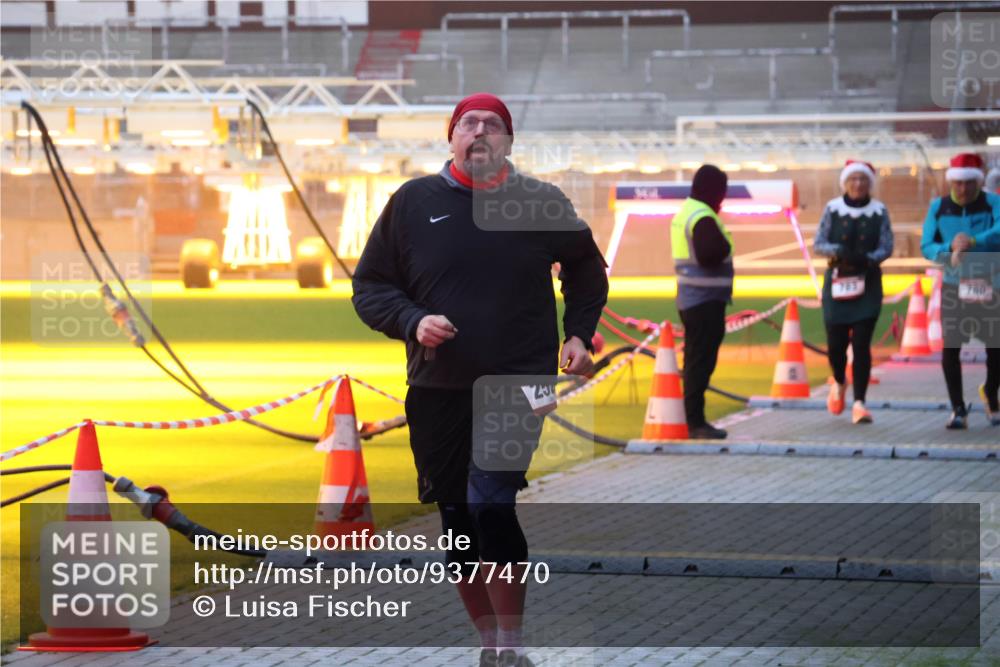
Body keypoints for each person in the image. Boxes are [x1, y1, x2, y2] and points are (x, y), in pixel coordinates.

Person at [352, 92, 609, 667]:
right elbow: (369, 289)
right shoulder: (412, 203)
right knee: (456, 519)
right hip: (437, 385)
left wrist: (578, 333)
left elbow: (588, 271)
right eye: (468, 123)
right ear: (451, 138)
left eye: (493, 124)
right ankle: (490, 642)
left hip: (523, 382)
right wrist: (413, 321)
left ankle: (510, 644)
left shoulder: (542, 202)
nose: (480, 132)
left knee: (491, 503)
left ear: (508, 142)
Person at [921, 152, 1000, 429]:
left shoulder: (993, 204)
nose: (963, 189)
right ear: (951, 183)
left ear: (978, 183)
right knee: (951, 348)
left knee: (996, 348)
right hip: (955, 287)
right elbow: (927, 245)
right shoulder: (938, 207)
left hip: (991, 284)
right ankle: (958, 409)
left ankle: (990, 392)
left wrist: (974, 241)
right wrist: (948, 250)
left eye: (969, 183)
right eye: (958, 183)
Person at [814, 160, 894, 424]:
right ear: (845, 183)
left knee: (861, 344)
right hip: (838, 281)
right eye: (853, 179)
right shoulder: (832, 209)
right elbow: (819, 242)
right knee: (835, 345)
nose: (858, 184)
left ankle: (860, 402)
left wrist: (869, 259)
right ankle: (839, 380)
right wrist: (839, 252)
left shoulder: (879, 210)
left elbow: (887, 245)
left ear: (870, 183)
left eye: (863, 179)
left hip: (867, 284)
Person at [671, 165, 734, 439]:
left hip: (692, 298)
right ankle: (695, 422)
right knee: (700, 361)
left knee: (696, 359)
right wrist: (726, 247)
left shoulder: (688, 211)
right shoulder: (702, 215)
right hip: (704, 300)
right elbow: (710, 252)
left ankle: (694, 419)